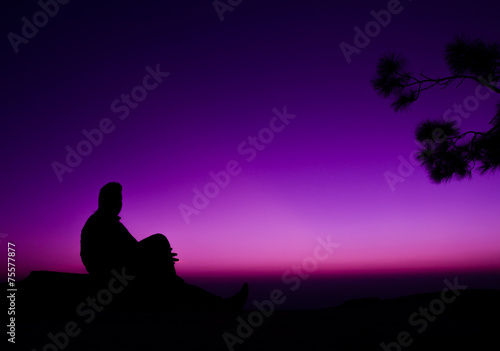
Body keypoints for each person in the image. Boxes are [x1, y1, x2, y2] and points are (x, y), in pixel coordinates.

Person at [80, 182, 248, 311]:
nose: (119, 203)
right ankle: (221, 305)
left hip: (127, 271)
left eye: (120, 199)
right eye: (116, 199)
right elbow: (98, 258)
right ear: (105, 201)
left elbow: (133, 249)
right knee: (160, 242)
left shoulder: (113, 224)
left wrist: (160, 256)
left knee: (174, 281)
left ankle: (222, 304)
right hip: (115, 277)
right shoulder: (98, 224)